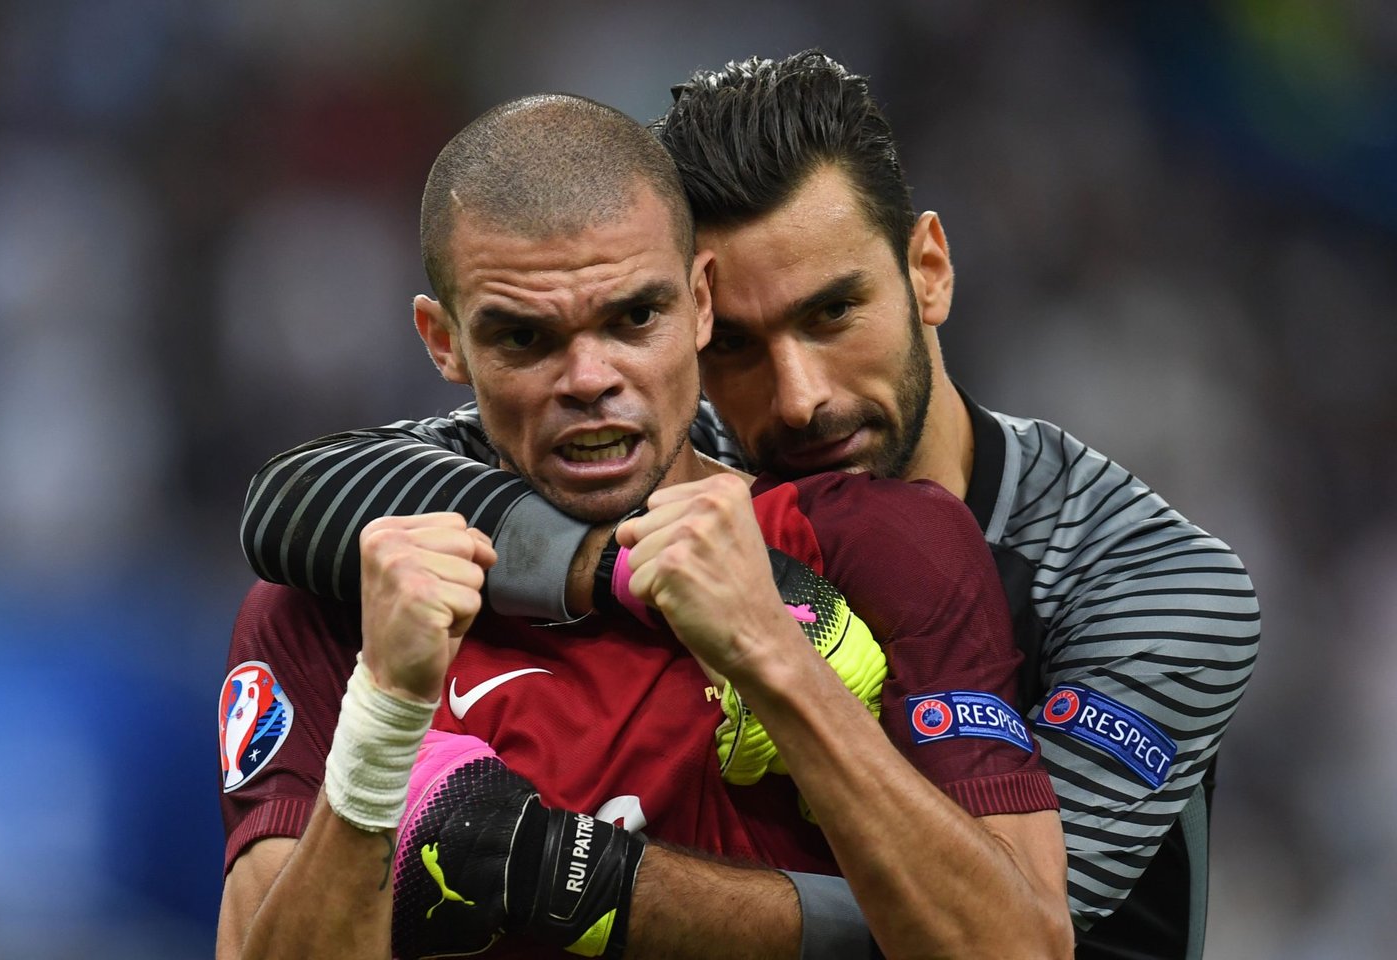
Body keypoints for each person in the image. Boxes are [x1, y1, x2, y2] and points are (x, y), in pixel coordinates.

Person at [238, 51, 1260, 959]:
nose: (801, 395)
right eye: (738, 346)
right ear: (704, 313)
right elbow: (298, 494)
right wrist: (616, 570)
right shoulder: (667, 454)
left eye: (833, 311)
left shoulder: (1156, 586)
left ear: (930, 270)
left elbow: (1017, 933)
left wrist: (572, 874)